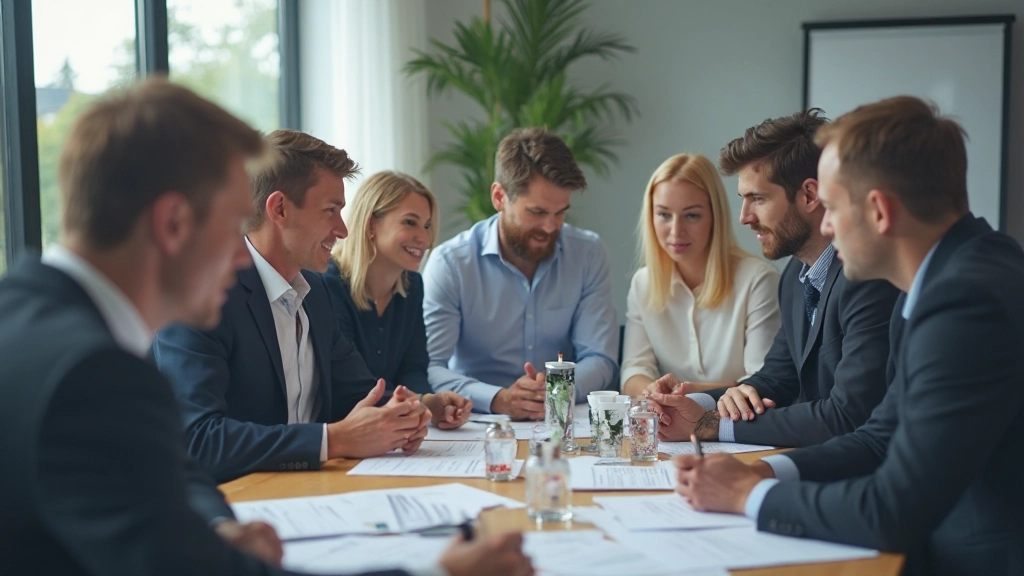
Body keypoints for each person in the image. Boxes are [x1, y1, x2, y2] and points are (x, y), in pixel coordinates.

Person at [0, 79, 533, 576]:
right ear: (172, 223)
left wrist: (218, 526)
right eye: (232, 223)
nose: (242, 255)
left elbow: (174, 470)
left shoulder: (36, 321)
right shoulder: (90, 374)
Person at [672, 96, 1024, 576]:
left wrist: (749, 495)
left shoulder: (965, 302)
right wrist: (763, 470)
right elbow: (879, 436)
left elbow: (893, 510)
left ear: (878, 211)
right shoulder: (942, 278)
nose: (826, 226)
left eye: (833, 207)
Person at [153, 131, 465, 483]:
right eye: (330, 211)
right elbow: (198, 441)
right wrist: (332, 440)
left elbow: (358, 393)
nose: (343, 230)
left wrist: (404, 414)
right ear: (279, 209)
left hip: (307, 489)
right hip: (232, 500)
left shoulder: (315, 292)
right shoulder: (199, 296)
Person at [648, 109, 899, 447]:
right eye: (743, 199)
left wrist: (711, 425)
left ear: (809, 196)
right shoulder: (795, 274)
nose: (744, 217)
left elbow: (847, 415)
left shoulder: (867, 279)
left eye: (758, 198)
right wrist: (692, 404)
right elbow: (776, 380)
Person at [423, 127, 619, 419]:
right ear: (499, 197)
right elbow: (431, 366)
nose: (550, 226)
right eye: (537, 212)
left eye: (560, 212)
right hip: (478, 422)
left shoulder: (588, 254)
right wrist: (498, 399)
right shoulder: (451, 264)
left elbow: (600, 358)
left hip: (561, 420)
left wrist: (555, 391)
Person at [620, 153, 781, 398]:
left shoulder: (758, 280)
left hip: (737, 420)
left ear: (715, 217)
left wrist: (686, 394)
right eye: (663, 214)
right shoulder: (643, 284)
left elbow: (762, 381)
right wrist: (652, 392)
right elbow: (634, 369)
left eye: (692, 215)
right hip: (670, 416)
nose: (676, 231)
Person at [326, 171, 472, 429]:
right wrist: (418, 403)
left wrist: (430, 402)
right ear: (371, 225)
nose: (425, 239)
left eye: (426, 225)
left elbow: (413, 367)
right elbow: (350, 384)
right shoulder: (328, 284)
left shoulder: (413, 286)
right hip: (346, 432)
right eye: (410, 222)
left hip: (392, 431)